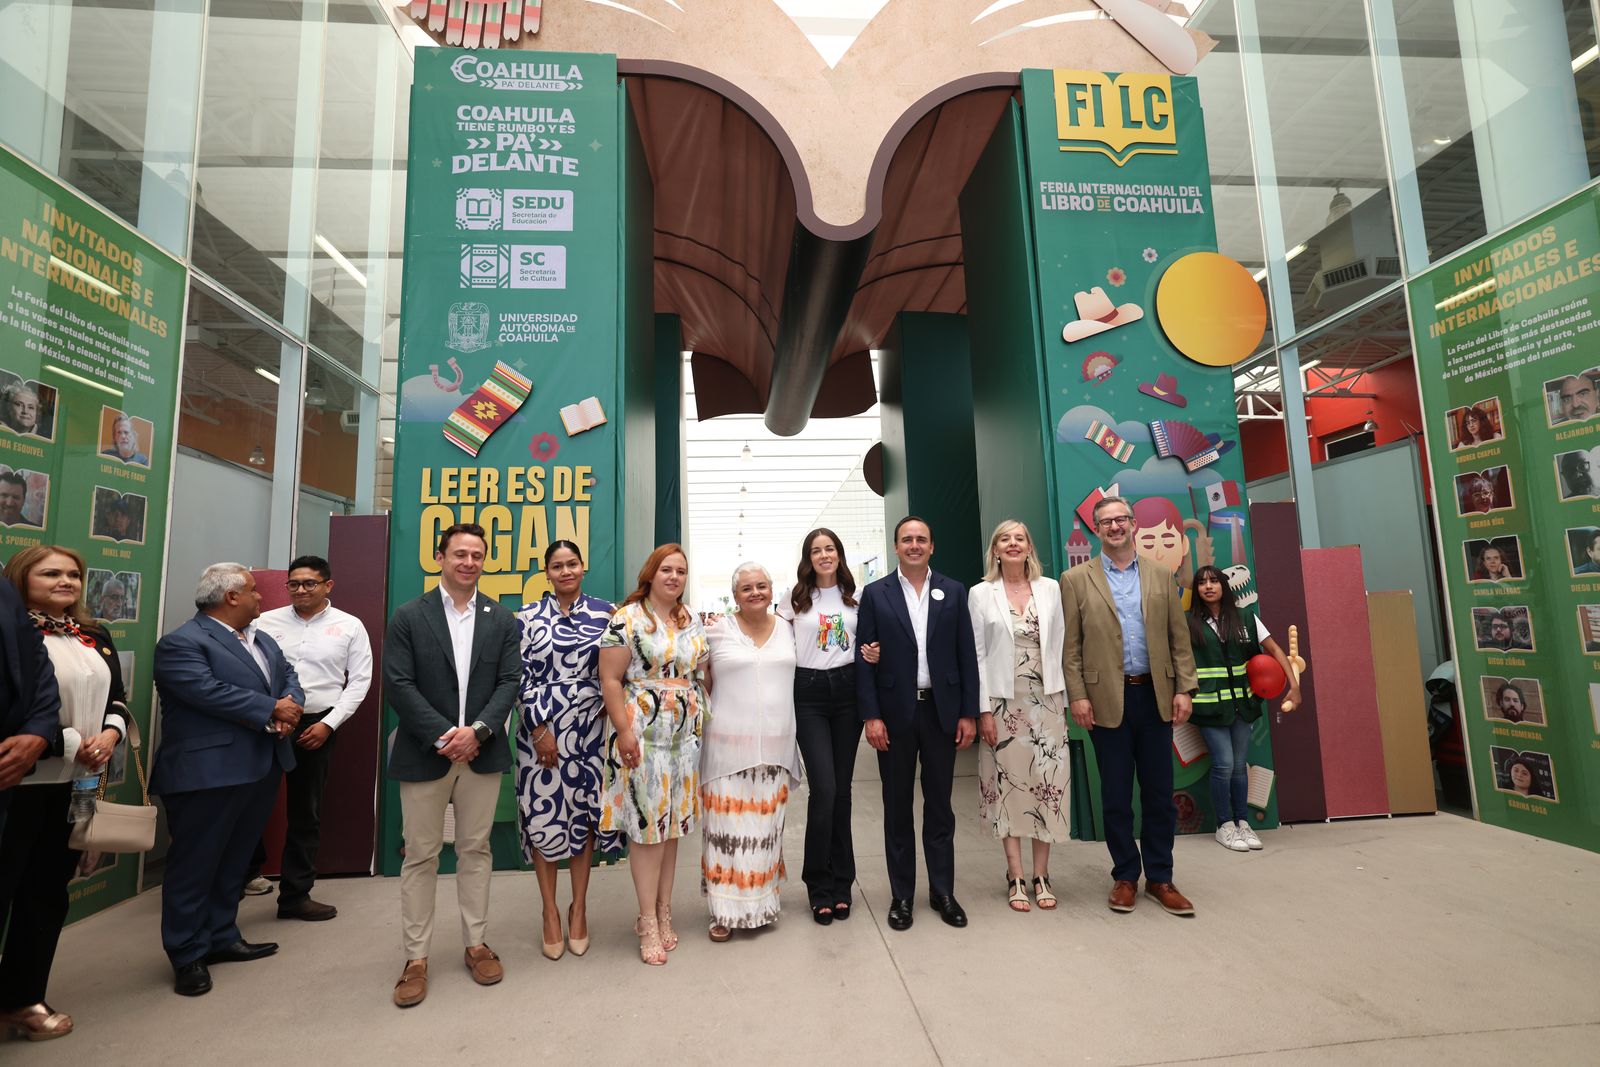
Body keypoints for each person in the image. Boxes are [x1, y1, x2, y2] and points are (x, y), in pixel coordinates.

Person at [151, 563, 303, 997]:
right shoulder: (182, 642)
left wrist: (290, 705)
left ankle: (221, 936)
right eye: (253, 590)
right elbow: (205, 691)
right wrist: (271, 708)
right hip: (208, 773)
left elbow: (289, 677)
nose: (261, 597)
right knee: (194, 866)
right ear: (231, 596)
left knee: (234, 861)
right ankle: (187, 953)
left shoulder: (262, 639)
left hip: (260, 766)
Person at [383, 523, 519, 1007]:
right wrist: (445, 736)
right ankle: (416, 959)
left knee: (475, 850)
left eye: (477, 555)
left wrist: (477, 732)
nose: (468, 562)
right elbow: (398, 683)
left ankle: (476, 944)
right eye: (459, 553)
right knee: (420, 855)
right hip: (426, 752)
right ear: (439, 557)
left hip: (482, 754)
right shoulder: (408, 616)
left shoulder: (502, 619)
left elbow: (509, 682)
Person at [1061, 495, 1199, 916]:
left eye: (1121, 519)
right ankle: (1124, 876)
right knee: (1116, 796)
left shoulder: (1160, 574)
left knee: (1158, 794)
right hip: (1105, 700)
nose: (1115, 527)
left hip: (1156, 697)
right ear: (1096, 529)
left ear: (1133, 524)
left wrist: (1184, 688)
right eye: (1106, 522)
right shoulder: (1075, 579)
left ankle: (1160, 877)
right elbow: (1071, 647)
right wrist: (1078, 695)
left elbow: (1178, 637)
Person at [855, 516, 979, 932]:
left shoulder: (953, 591)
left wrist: (968, 712)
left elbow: (966, 654)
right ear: (895, 547)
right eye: (906, 539)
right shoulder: (875, 594)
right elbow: (864, 657)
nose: (914, 545)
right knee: (897, 808)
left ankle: (943, 892)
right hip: (894, 715)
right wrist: (871, 715)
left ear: (932, 546)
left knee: (940, 806)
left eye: (921, 539)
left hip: (942, 713)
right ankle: (902, 895)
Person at [598, 544, 708, 964]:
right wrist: (624, 731)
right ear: (651, 573)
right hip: (642, 732)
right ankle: (646, 919)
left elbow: (700, 671)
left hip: (684, 736)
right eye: (667, 569)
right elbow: (610, 679)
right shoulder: (626, 619)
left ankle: (665, 910)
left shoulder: (689, 617)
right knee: (647, 827)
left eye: (681, 570)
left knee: (672, 824)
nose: (674, 577)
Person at [512, 540, 616, 961]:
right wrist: (538, 729)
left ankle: (579, 909)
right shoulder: (527, 618)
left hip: (590, 730)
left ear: (583, 567)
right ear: (547, 572)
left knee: (584, 817)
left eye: (572, 563)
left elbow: (617, 669)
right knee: (543, 817)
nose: (566, 571)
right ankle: (549, 911)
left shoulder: (607, 614)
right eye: (557, 565)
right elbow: (515, 676)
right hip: (540, 733)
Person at [255, 555, 373, 921]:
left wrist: (329, 724)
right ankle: (242, 878)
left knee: (305, 812)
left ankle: (295, 896)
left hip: (317, 725)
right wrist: (266, 711)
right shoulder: (264, 622)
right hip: (267, 721)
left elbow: (360, 681)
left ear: (328, 586)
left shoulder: (349, 626)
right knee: (246, 803)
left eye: (309, 583)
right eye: (294, 584)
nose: (301, 590)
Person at [968, 519, 1069, 912]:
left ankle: (1041, 874)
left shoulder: (1051, 588)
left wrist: (1065, 699)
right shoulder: (981, 593)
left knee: (1047, 784)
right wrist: (983, 710)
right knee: (1007, 785)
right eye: (1005, 539)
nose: (1013, 543)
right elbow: (976, 655)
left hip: (1047, 701)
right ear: (995, 549)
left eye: (1020, 538)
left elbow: (1060, 645)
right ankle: (1015, 874)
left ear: (1029, 547)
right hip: (1002, 703)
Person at [702, 563, 801, 941]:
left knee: (764, 831)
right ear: (735, 595)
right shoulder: (716, 631)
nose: (755, 592)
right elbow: (699, 678)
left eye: (761, 586)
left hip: (776, 747)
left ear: (772, 590)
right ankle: (723, 910)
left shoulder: (789, 629)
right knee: (725, 832)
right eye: (746, 588)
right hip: (725, 747)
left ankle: (762, 905)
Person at [776, 527, 862, 924]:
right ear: (808, 559)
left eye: (830, 549)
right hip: (808, 692)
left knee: (841, 792)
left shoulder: (855, 598)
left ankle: (842, 883)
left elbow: (868, 643)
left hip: (848, 691)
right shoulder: (794, 600)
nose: (824, 555)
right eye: (816, 550)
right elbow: (775, 645)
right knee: (824, 788)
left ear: (839, 554)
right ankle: (818, 882)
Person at [1186, 565, 1300, 853]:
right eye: (1202, 582)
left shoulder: (1246, 618)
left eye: (1214, 581)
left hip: (1243, 705)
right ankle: (1224, 825)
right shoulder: (1188, 623)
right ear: (1196, 590)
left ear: (1224, 586)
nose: (1208, 586)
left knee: (1239, 766)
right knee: (1224, 764)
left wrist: (1294, 686)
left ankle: (1242, 822)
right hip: (1210, 708)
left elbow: (1274, 649)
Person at [0, 566, 67, 1042]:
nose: (66, 581)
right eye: (52, 573)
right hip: (21, 778)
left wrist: (38, 732)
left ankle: (20, 998)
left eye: (73, 574)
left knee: (43, 893)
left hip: (43, 776)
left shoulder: (3, 595)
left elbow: (40, 674)